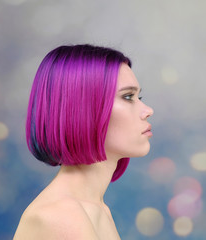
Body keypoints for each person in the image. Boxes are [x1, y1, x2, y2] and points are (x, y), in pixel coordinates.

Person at [13, 44, 154, 239]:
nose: (148, 110)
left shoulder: (96, 210)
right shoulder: (61, 216)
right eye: (128, 97)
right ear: (83, 110)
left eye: (139, 97)